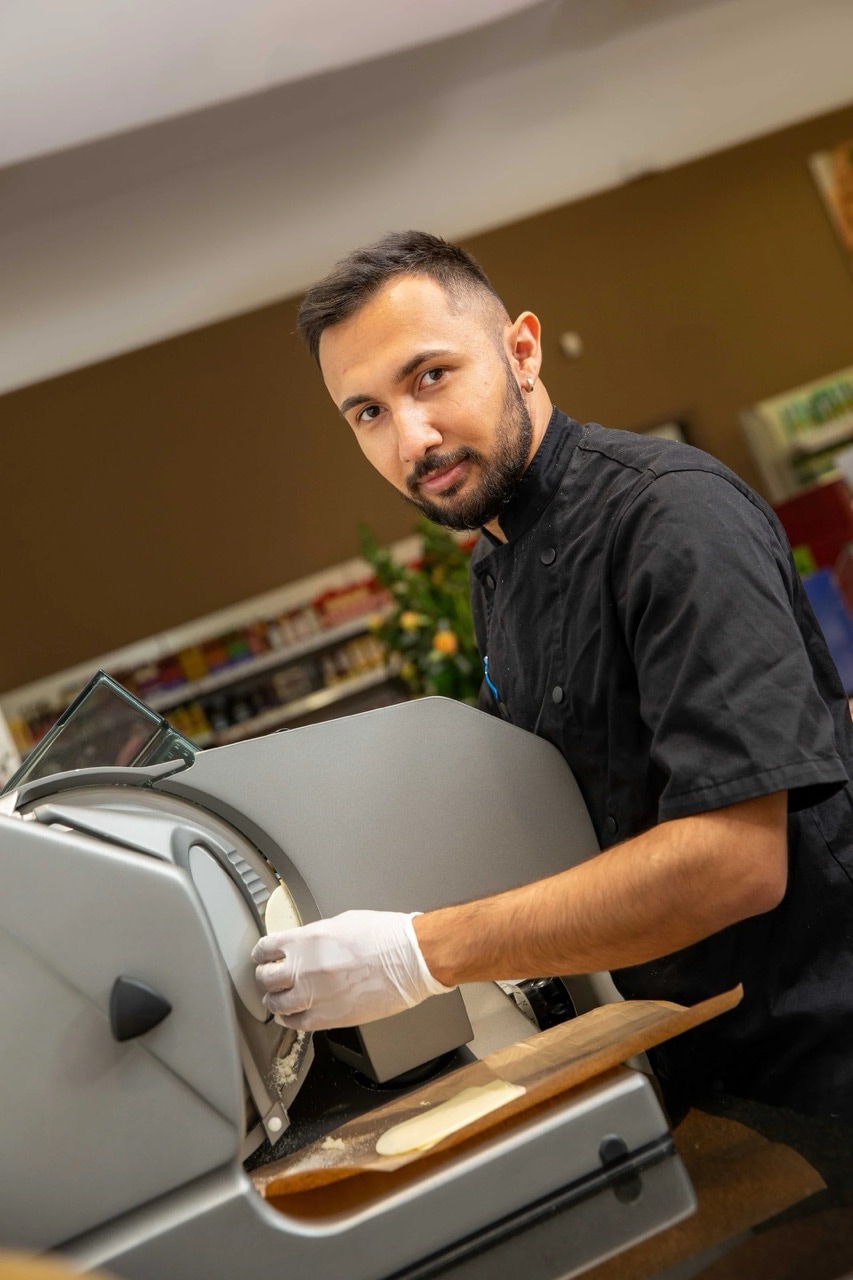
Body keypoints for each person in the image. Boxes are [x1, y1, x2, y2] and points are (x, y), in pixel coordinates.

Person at [253, 230, 853, 1120]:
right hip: (700, 1066)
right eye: (367, 413)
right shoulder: (494, 564)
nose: (411, 436)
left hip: (820, 1055)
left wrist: (421, 953)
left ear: (521, 350)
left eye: (430, 377)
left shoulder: (669, 516)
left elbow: (734, 862)